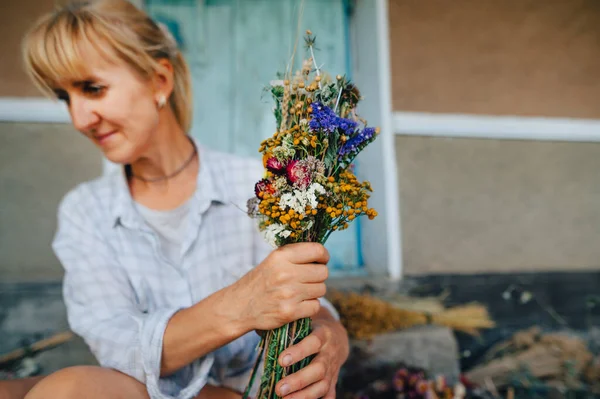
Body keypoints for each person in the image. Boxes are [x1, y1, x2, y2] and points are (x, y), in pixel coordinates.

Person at [8, 1, 350, 398]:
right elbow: (118, 350)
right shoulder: (85, 212)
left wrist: (333, 338)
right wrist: (239, 305)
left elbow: (309, 301)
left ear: (159, 81)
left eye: (92, 88)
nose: (80, 119)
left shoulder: (256, 184)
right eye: (65, 97)